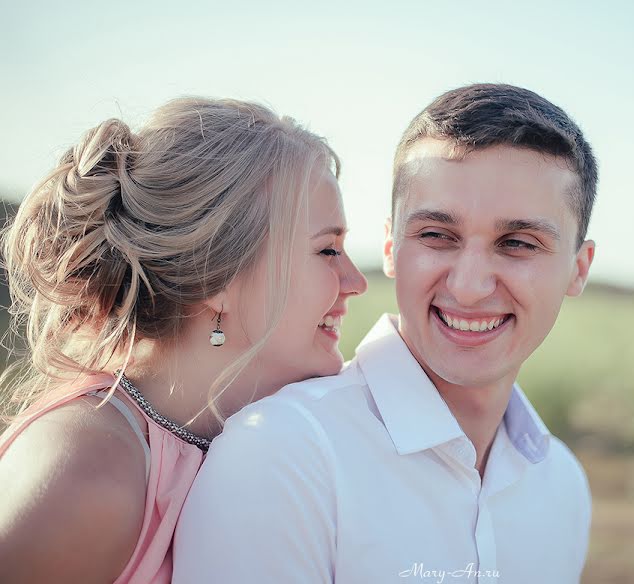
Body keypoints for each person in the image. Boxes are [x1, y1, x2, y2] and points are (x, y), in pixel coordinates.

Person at [173, 83, 597, 583]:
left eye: (518, 243)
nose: (468, 287)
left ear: (578, 268)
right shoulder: (284, 455)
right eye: (437, 236)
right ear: (393, 249)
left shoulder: (562, 485)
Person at [0, 97, 367, 583]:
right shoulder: (89, 472)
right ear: (218, 278)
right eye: (327, 249)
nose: (357, 281)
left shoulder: (275, 452)